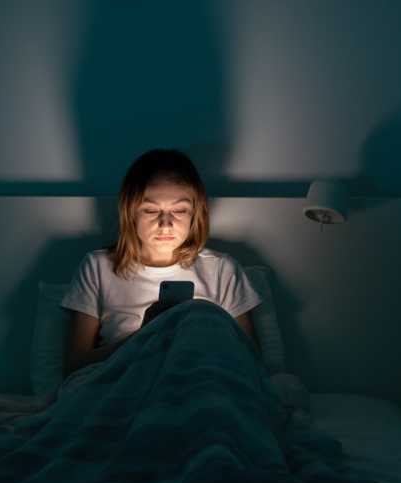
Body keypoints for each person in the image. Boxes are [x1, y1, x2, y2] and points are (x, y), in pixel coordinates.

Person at [60, 148, 262, 378]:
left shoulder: (222, 270)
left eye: (179, 210)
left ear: (195, 213)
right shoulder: (98, 268)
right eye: (151, 210)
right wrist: (146, 334)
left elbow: (251, 362)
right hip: (126, 387)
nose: (165, 224)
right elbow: (74, 369)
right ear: (130, 212)